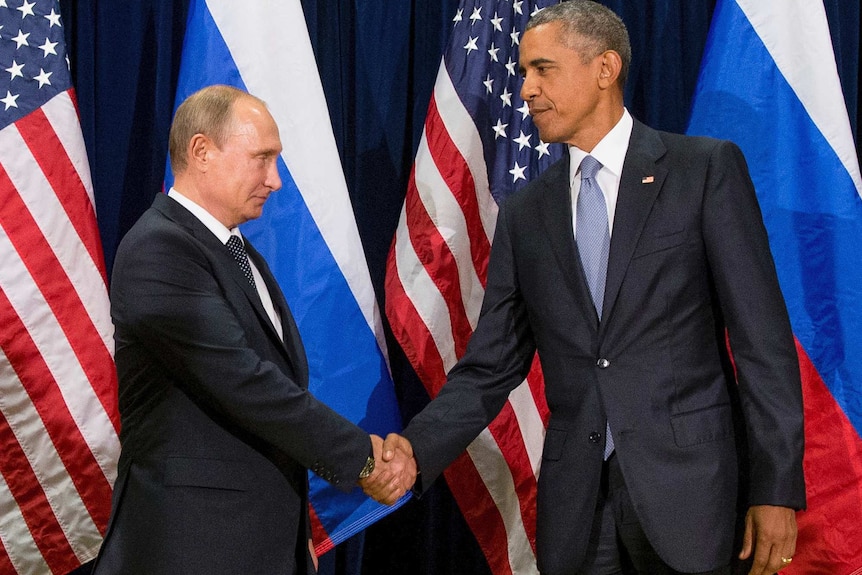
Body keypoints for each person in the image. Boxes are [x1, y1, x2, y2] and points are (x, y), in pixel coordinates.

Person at [380, 2, 805, 574]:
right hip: (579, 510)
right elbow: (491, 365)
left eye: (543, 69)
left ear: (605, 68)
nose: (525, 89)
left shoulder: (702, 171)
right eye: (523, 71)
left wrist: (776, 487)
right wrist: (415, 449)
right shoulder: (527, 212)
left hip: (692, 498)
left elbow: (763, 345)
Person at [92, 85, 413, 575]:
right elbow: (245, 382)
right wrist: (362, 459)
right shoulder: (159, 250)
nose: (276, 180)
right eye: (262, 159)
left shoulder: (237, 254)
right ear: (201, 152)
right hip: (191, 548)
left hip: (259, 545)